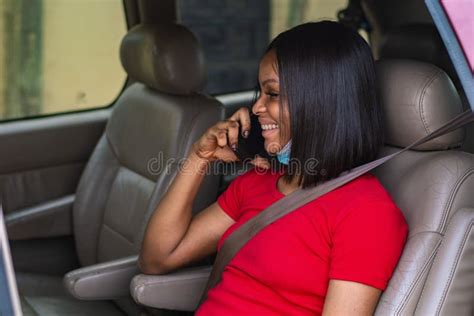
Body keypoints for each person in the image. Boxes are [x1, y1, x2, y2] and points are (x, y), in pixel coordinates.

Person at [139, 21, 408, 315]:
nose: (256, 107)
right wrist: (199, 158)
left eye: (273, 94)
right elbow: (158, 258)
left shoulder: (365, 212)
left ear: (321, 103)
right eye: (260, 93)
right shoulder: (259, 180)